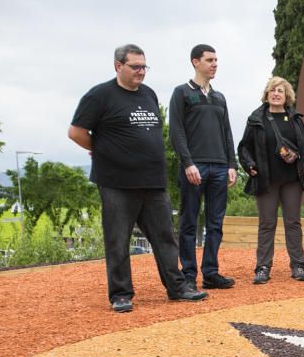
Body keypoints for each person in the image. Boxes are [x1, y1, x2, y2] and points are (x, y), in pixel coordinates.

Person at [68, 44, 207, 313]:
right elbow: (76, 132)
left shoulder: (148, 94)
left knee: (165, 237)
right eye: (135, 66)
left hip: (153, 181)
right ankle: (121, 294)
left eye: (144, 66)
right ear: (118, 66)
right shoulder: (100, 95)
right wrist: (101, 149)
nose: (141, 72)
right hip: (117, 182)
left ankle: (177, 288)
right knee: (118, 240)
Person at [168, 44, 238, 289]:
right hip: (194, 169)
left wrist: (232, 164)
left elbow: (227, 132)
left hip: (220, 167)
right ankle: (188, 275)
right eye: (210, 60)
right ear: (195, 62)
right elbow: (176, 133)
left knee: (215, 223)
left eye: (216, 60)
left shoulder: (219, 97)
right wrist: (188, 163)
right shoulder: (182, 93)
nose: (215, 64)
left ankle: (210, 272)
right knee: (188, 221)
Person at [237, 76, 304, 285]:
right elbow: (244, 147)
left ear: (286, 95)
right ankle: (263, 267)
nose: (276, 94)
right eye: (272, 90)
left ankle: (298, 265)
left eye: (280, 91)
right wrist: (249, 165)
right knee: (267, 224)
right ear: (266, 94)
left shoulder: (295, 120)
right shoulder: (256, 119)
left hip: (291, 180)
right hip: (266, 180)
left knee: (293, 222)